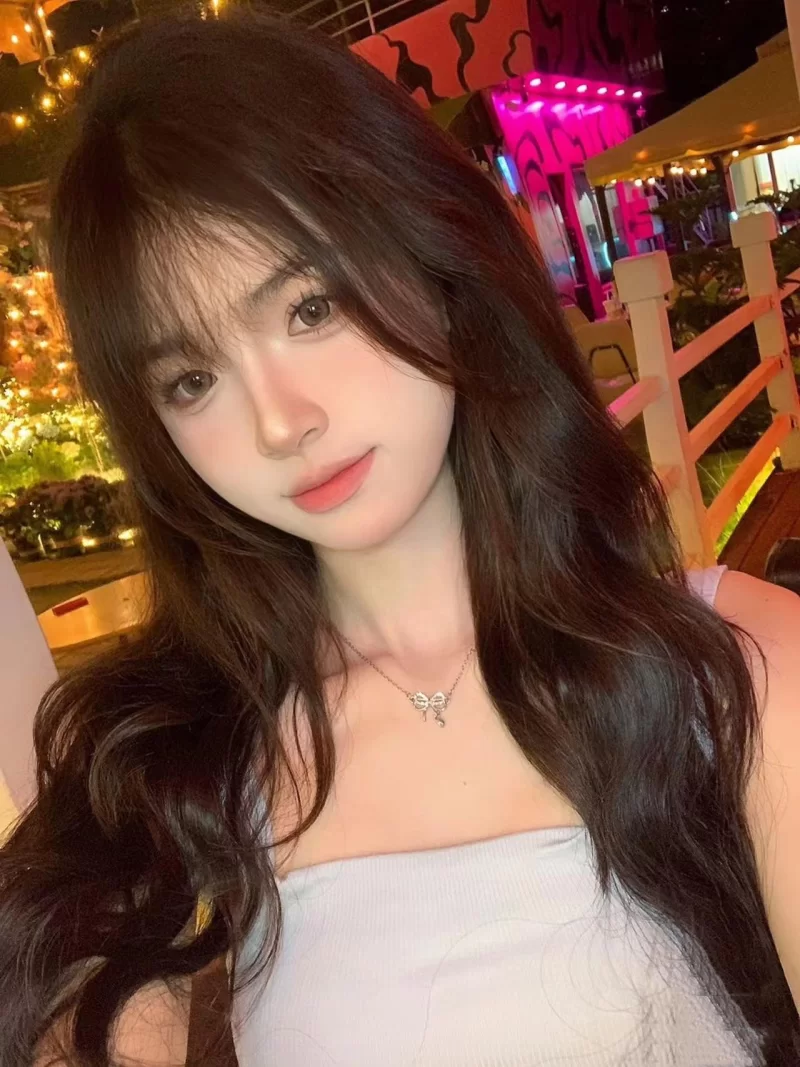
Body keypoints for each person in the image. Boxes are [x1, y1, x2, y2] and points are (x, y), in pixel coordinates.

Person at [1, 10, 799, 1066]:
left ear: (435, 255)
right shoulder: (179, 764)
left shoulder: (739, 665)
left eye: (310, 307)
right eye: (191, 378)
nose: (280, 421)